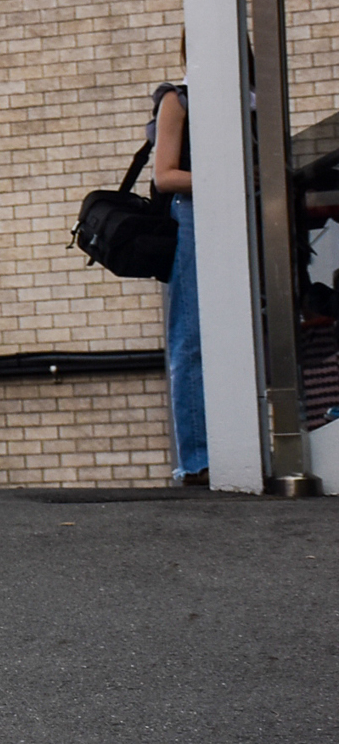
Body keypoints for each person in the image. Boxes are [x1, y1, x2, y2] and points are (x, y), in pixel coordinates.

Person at [152, 74, 205, 486]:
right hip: (192, 213)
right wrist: (228, 176)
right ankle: (197, 460)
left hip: (245, 213)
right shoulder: (178, 99)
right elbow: (164, 175)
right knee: (191, 334)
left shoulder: (252, 99)